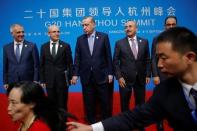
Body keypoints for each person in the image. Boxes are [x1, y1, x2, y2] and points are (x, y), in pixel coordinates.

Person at [67, 27, 197, 131]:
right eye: (158, 58)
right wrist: (91, 128)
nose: (159, 65)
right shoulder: (165, 92)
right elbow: (132, 118)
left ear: (189, 57)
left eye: (164, 58)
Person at [71, 16, 113, 124]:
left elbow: (108, 56)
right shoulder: (80, 39)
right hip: (86, 76)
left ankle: (106, 123)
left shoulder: (103, 37)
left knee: (104, 101)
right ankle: (91, 124)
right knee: (89, 102)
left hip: (102, 75)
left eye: (86, 24)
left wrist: (110, 73)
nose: (84, 27)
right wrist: (75, 74)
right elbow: (77, 58)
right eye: (83, 25)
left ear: (93, 24)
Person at [113, 20, 151, 115]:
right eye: (126, 27)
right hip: (124, 80)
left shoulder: (145, 42)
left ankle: (140, 124)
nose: (127, 29)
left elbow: (148, 59)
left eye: (130, 26)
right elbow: (115, 61)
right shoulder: (119, 43)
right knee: (125, 104)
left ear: (136, 28)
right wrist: (119, 77)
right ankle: (126, 124)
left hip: (140, 78)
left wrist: (147, 74)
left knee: (140, 103)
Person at [151, 15, 177, 131]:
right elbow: (153, 59)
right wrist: (155, 75)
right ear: (164, 26)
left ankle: (175, 121)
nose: (171, 26)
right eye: (168, 24)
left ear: (176, 25)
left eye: (173, 24)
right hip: (162, 75)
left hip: (177, 75)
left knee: (177, 99)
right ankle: (159, 123)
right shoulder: (157, 39)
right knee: (161, 100)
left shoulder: (182, 39)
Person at [40, 25, 73, 111]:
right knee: (51, 104)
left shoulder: (66, 46)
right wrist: (42, 80)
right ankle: (53, 122)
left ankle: (63, 122)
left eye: (58, 31)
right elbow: (42, 65)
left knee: (62, 104)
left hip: (62, 81)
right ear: (48, 33)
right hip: (49, 81)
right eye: (54, 32)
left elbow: (70, 64)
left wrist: (70, 78)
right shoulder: (44, 47)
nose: (57, 33)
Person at [3, 24, 39, 89]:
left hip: (28, 81)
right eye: (18, 32)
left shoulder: (32, 46)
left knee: (28, 98)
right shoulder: (6, 47)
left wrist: (36, 80)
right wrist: (5, 81)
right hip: (12, 80)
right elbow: (5, 66)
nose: (21, 34)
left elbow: (36, 65)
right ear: (12, 33)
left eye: (23, 32)